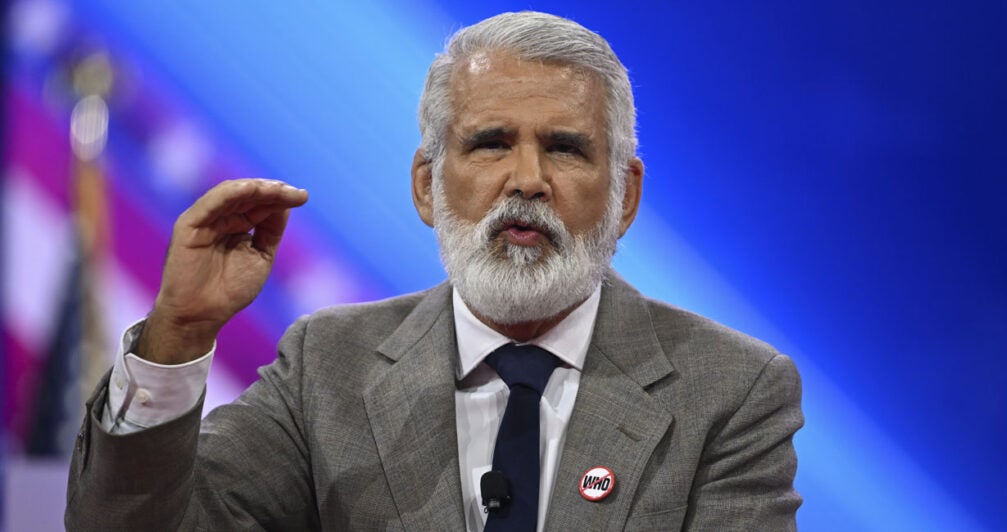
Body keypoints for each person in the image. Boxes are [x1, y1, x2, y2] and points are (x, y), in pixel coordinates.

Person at [65, 11, 803, 531]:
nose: (527, 180)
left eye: (567, 149)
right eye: (489, 143)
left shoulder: (730, 390)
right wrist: (178, 338)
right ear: (426, 185)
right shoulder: (327, 368)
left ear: (626, 196)